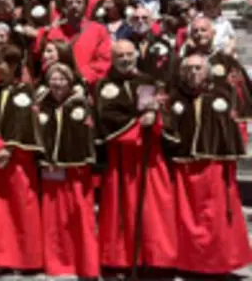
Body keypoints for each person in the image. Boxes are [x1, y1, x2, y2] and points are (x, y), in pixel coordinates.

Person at [163, 54, 252, 275]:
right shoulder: (174, 98)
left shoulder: (223, 94)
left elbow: (234, 129)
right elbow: (167, 129)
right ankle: (188, 264)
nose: (194, 72)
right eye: (189, 68)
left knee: (216, 217)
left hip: (214, 167)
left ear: (208, 71)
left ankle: (217, 264)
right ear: (181, 72)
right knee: (185, 218)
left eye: (198, 68)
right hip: (183, 167)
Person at [95, 40, 176, 275]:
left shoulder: (148, 81)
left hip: (148, 156)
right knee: (121, 211)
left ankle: (153, 259)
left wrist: (155, 113)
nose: (125, 59)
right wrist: (138, 122)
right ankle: (120, 260)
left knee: (152, 210)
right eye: (120, 55)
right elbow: (106, 116)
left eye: (129, 54)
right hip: (121, 156)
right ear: (112, 57)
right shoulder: (104, 85)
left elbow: (158, 111)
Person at [0, 45, 44, 272]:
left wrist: (10, 149)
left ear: (13, 66)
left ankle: (24, 259)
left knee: (21, 207)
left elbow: (25, 125)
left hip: (18, 162)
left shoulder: (26, 92)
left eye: (1, 62)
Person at [37, 62, 98, 278]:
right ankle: (54, 264)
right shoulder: (42, 103)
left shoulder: (82, 104)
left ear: (70, 81)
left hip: (76, 174)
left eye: (62, 78)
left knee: (78, 218)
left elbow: (91, 136)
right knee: (52, 223)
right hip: (50, 172)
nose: (57, 83)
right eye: (53, 78)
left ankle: (83, 265)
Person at [34, 0, 112, 87]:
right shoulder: (53, 32)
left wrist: (79, 77)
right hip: (56, 86)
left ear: (86, 5)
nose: (74, 6)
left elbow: (103, 61)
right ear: (65, 6)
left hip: (85, 86)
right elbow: (41, 58)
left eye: (79, 2)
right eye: (70, 3)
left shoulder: (99, 30)